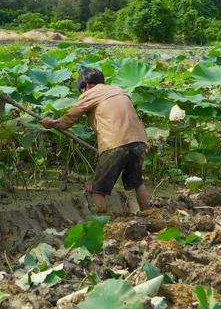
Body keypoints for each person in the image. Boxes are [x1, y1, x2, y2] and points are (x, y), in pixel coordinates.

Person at [40, 67, 151, 213]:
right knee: (137, 183)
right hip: (139, 141)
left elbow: (68, 120)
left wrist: (52, 123)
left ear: (85, 86)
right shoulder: (119, 90)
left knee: (97, 190)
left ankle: (102, 225)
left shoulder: (90, 93)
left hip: (114, 143)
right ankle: (150, 215)